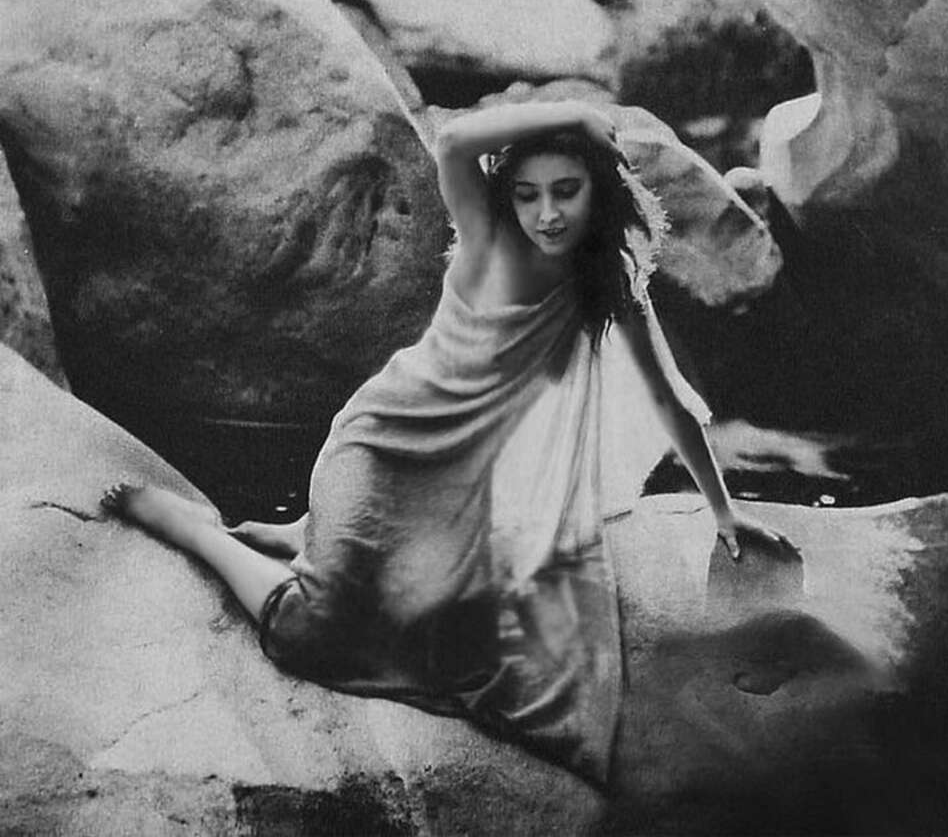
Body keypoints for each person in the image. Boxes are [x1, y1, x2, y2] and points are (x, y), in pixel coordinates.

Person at [102, 99, 791, 785]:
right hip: (382, 456)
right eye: (527, 195)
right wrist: (573, 119)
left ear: (599, 192)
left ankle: (302, 537)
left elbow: (670, 402)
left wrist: (723, 510)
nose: (545, 213)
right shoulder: (489, 246)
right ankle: (197, 531)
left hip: (465, 500)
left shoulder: (612, 288)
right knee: (312, 636)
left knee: (479, 652)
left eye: (565, 192)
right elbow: (457, 138)